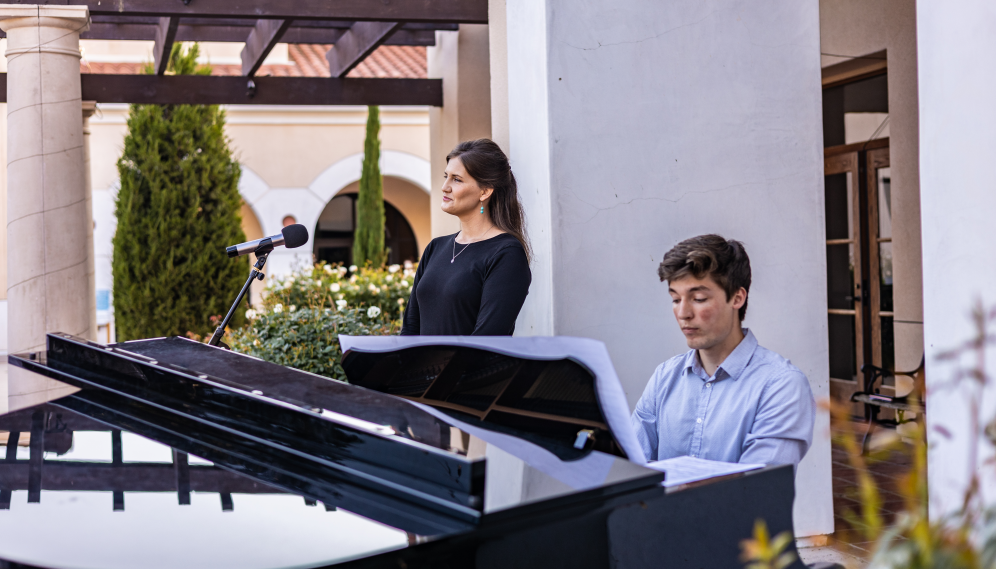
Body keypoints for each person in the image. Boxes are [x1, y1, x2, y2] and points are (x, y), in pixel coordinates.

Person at [631, 235, 815, 466]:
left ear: (737, 298)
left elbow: (757, 489)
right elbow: (631, 465)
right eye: (676, 299)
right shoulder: (664, 376)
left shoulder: (781, 385)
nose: (683, 313)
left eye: (698, 298)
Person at [401, 139, 531, 336]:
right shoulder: (436, 248)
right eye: (446, 176)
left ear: (485, 191)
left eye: (457, 179)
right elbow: (410, 328)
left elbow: (486, 341)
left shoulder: (506, 254)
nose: (445, 187)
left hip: (468, 367)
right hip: (421, 367)